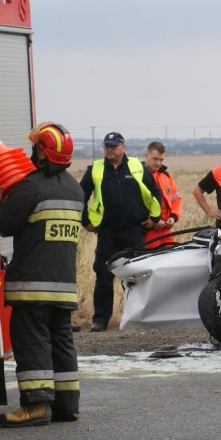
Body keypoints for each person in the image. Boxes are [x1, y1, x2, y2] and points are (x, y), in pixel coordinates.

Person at [0, 122, 83, 428]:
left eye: (36, 146)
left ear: (42, 151)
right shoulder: (75, 188)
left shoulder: (31, 186)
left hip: (33, 287)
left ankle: (36, 406)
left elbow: (5, 224)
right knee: (61, 342)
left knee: (33, 341)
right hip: (64, 287)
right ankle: (67, 404)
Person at [81, 131, 161, 332]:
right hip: (107, 233)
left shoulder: (137, 167)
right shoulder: (96, 169)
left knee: (139, 276)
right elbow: (79, 195)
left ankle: (140, 317)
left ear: (122, 147)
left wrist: (154, 219)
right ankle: (100, 320)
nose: (109, 149)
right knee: (103, 275)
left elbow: (155, 192)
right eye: (106, 146)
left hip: (134, 232)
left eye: (113, 146)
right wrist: (86, 222)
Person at [143, 141, 182, 249]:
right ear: (146, 155)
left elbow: (176, 199)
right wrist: (154, 221)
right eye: (155, 159)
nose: (158, 163)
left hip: (166, 233)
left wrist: (173, 217)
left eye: (161, 160)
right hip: (147, 233)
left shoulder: (165, 175)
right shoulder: (138, 176)